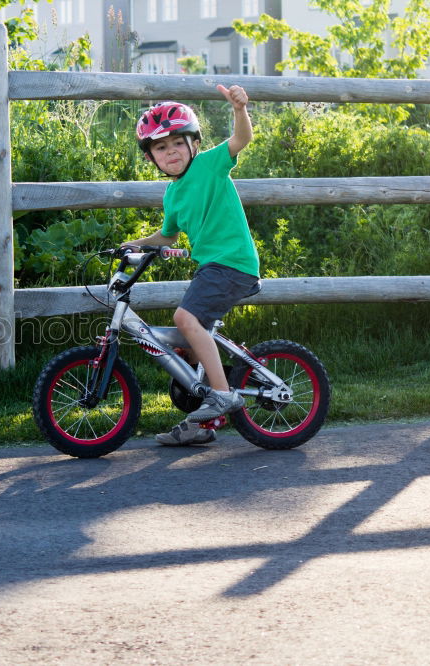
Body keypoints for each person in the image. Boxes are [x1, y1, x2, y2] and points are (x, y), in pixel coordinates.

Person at [121, 85, 260, 446]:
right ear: (151, 157)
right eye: (160, 148)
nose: (171, 152)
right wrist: (135, 244)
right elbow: (167, 236)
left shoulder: (211, 165)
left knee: (185, 319)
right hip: (212, 268)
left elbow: (241, 138)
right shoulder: (172, 194)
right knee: (189, 341)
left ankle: (222, 395)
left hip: (232, 263)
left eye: (177, 143)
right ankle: (203, 424)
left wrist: (239, 109)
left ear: (193, 144)